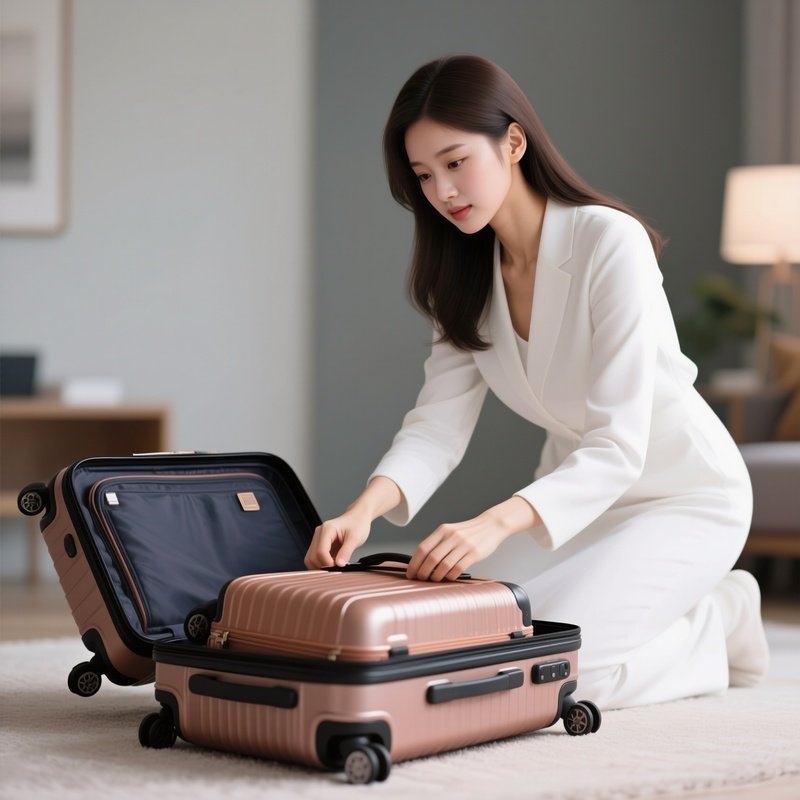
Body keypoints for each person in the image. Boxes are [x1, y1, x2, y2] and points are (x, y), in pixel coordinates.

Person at [305, 54, 769, 709]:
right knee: (468, 644)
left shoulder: (609, 241)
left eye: (456, 161)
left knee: (560, 672)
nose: (443, 191)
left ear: (513, 142)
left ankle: (717, 625)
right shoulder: (463, 277)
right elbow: (436, 425)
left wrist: (492, 523)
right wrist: (362, 511)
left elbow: (617, 445)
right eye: (423, 175)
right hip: (574, 504)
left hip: (683, 495)